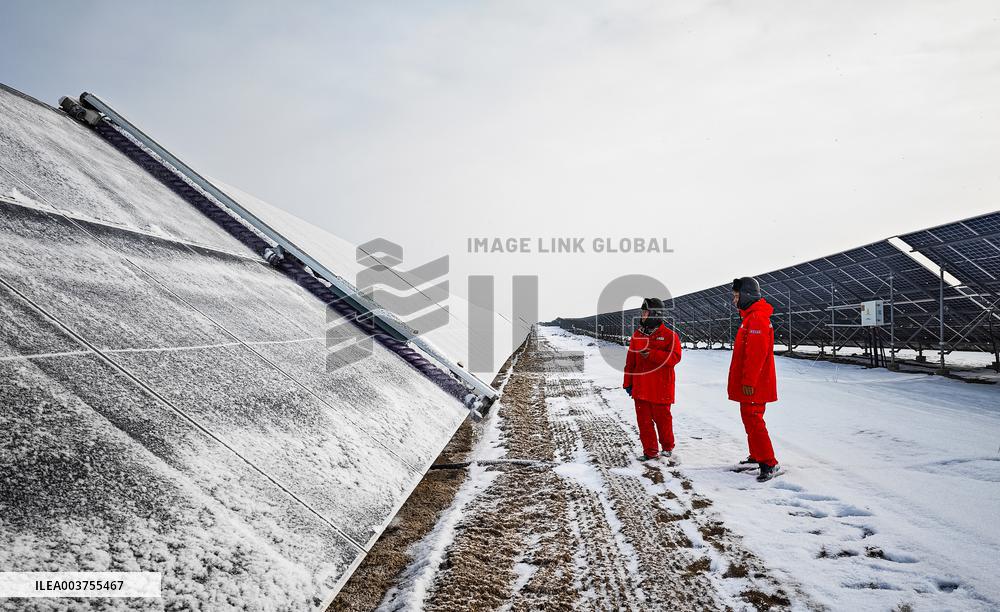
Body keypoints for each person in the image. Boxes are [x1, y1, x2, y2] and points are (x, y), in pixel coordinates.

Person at [729, 277, 780, 482]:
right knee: (749, 419)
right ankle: (756, 456)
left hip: (756, 383)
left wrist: (749, 381)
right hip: (753, 382)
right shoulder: (750, 317)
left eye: (736, 296)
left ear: (746, 295)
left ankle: (769, 462)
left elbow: (756, 354)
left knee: (754, 420)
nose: (734, 301)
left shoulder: (757, 318)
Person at [623, 297, 682, 461]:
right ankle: (649, 451)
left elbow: (675, 358)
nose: (642, 315)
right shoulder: (637, 335)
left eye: (645, 312)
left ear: (655, 314)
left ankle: (667, 447)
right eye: (642, 312)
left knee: (663, 420)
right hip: (641, 388)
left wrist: (652, 354)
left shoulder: (669, 336)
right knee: (644, 422)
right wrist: (627, 382)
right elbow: (630, 362)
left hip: (660, 388)